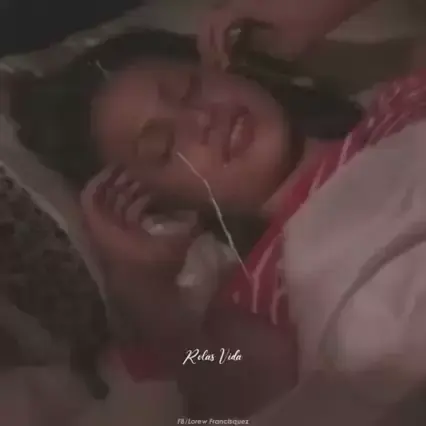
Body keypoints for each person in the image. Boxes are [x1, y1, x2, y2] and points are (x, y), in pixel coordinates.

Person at [10, 0, 426, 419]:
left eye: (190, 89)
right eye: (162, 147)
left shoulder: (399, 104)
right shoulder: (257, 290)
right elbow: (237, 396)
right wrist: (146, 292)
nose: (200, 119)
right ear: (165, 204)